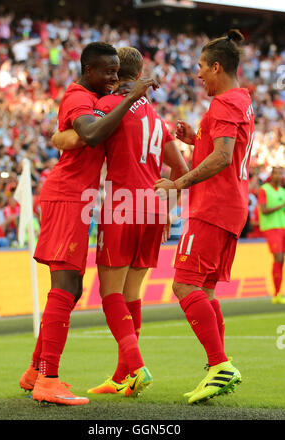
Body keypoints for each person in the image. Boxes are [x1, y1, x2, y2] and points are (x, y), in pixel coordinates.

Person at [19, 42, 158, 406]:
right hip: (67, 197)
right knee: (65, 286)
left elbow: (74, 135)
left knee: (73, 288)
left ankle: (36, 369)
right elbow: (91, 133)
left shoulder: (91, 98)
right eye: (107, 72)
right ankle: (48, 379)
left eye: (117, 71)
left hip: (78, 200)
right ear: (88, 70)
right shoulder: (80, 97)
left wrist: (62, 136)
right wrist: (132, 98)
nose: (113, 78)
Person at [53, 46, 188, 397]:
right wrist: (168, 207)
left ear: (116, 75)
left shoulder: (109, 106)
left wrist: (55, 136)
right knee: (132, 293)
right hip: (154, 207)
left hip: (122, 203)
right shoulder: (158, 119)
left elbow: (81, 135)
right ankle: (122, 375)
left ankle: (137, 365)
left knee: (109, 292)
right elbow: (182, 171)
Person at [154, 29, 254, 404]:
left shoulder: (225, 104)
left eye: (200, 67)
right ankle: (216, 369)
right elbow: (225, 148)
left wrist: (177, 183)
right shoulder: (243, 100)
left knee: (183, 285)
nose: (197, 74)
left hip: (212, 208)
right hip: (231, 207)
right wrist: (196, 141)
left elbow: (224, 156)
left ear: (216, 66)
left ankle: (219, 363)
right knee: (205, 289)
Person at [258, 167, 285, 304]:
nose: (279, 176)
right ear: (272, 175)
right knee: (279, 258)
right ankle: (276, 294)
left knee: (281, 260)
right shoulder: (265, 189)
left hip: (283, 226)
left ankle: (278, 293)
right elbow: (264, 210)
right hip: (272, 228)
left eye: (281, 173)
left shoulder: (282, 191)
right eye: (277, 173)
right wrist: (282, 205)